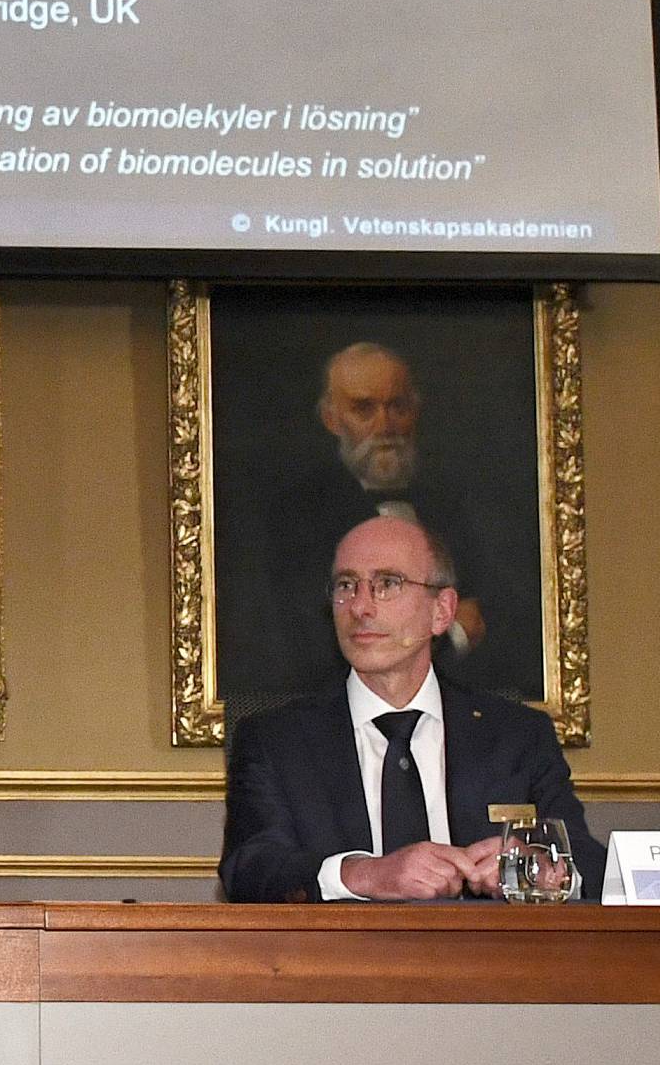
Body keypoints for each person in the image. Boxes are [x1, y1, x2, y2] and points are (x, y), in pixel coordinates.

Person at [219, 514, 605, 904]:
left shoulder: (518, 735)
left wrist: (535, 868)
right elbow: (250, 870)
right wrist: (366, 874)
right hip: (337, 961)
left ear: (442, 611)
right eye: (346, 585)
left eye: (387, 584)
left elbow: (589, 863)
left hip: (493, 960)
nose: (360, 607)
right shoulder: (276, 739)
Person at [255, 341, 518, 696]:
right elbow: (317, 648)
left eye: (397, 406)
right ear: (332, 419)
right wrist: (453, 637)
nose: (385, 425)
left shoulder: (455, 501)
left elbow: (501, 616)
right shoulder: (298, 515)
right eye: (364, 409)